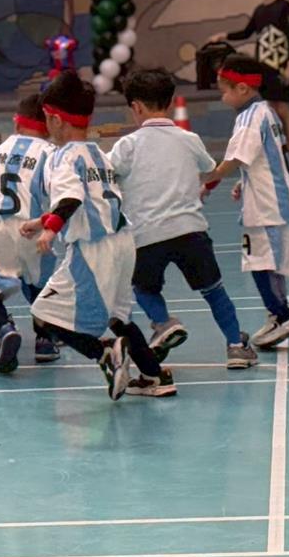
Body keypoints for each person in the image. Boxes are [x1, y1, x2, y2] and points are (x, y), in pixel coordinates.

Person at [22, 70, 175, 399]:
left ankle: (104, 353)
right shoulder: (98, 154)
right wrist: (41, 220)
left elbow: (71, 199)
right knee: (119, 317)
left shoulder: (62, 157)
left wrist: (50, 230)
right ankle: (154, 376)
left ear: (55, 120)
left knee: (44, 314)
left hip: (93, 249)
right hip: (122, 243)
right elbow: (88, 200)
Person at [110, 69, 258, 369]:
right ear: (169, 102)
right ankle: (235, 346)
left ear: (136, 107)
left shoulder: (126, 145)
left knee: (144, 288)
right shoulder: (189, 139)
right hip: (190, 230)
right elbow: (209, 169)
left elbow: (108, 177)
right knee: (214, 290)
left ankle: (163, 323)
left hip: (145, 235)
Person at [208, 54, 289, 348]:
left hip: (267, 207)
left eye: (224, 90)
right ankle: (278, 313)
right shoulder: (268, 112)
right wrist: (243, 182)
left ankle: (283, 315)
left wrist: (205, 181)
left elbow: (235, 159)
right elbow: (266, 159)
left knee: (261, 264)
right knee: (268, 264)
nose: (222, 97)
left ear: (242, 88)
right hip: (274, 202)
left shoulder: (249, 117)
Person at [0, 94, 60, 374]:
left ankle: (4, 328)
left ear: (16, 122)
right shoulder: (49, 153)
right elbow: (58, 196)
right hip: (30, 225)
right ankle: (44, 340)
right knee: (39, 284)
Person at [213, 0, 289, 167]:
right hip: (263, 66)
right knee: (269, 108)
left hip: (279, 64)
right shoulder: (259, 10)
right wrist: (224, 35)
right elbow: (247, 32)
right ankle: (277, 153)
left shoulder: (284, 6)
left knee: (283, 108)